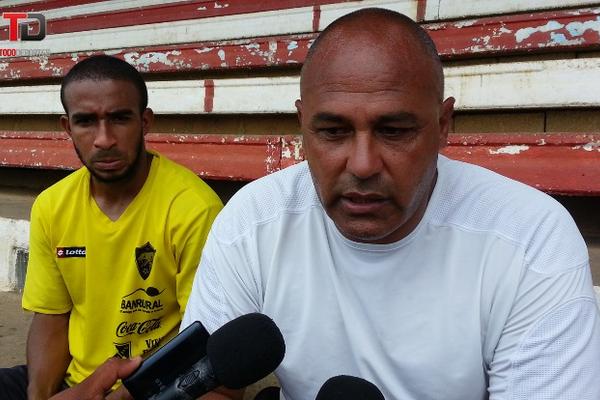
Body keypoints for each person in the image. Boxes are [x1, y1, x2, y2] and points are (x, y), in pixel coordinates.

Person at [181, 8, 600, 400]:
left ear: (442, 126)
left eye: (394, 130)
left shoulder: (530, 241)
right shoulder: (253, 222)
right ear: (302, 125)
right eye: (332, 132)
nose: (362, 165)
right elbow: (211, 386)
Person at [0, 55, 223, 399]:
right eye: (86, 121)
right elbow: (51, 319)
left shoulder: (194, 209)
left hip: (155, 386)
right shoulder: (52, 205)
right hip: (76, 381)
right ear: (67, 127)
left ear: (145, 122)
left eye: (119, 118)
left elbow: (204, 340)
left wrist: (121, 392)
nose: (104, 139)